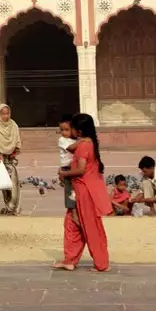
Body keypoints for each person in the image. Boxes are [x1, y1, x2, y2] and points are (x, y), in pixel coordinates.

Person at [54, 113, 111, 272]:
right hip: (80, 189)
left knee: (90, 226)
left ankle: (101, 263)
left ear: (78, 131)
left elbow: (80, 169)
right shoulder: (87, 142)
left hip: (84, 191)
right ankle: (70, 259)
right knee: (72, 223)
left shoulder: (83, 145)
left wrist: (63, 174)